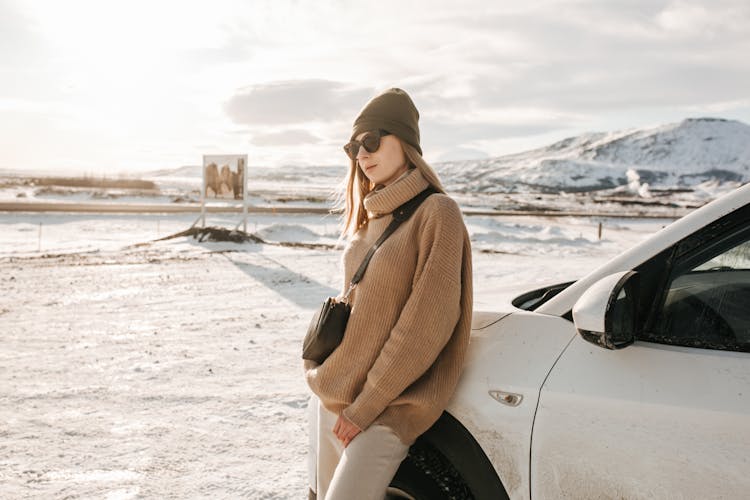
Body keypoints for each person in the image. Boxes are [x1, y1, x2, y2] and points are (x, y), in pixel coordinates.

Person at [304, 88, 473, 499]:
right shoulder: (369, 219)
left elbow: (425, 326)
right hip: (337, 398)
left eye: (372, 140)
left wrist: (366, 406)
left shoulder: (438, 214)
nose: (361, 154)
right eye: (352, 146)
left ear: (407, 143)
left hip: (388, 408)